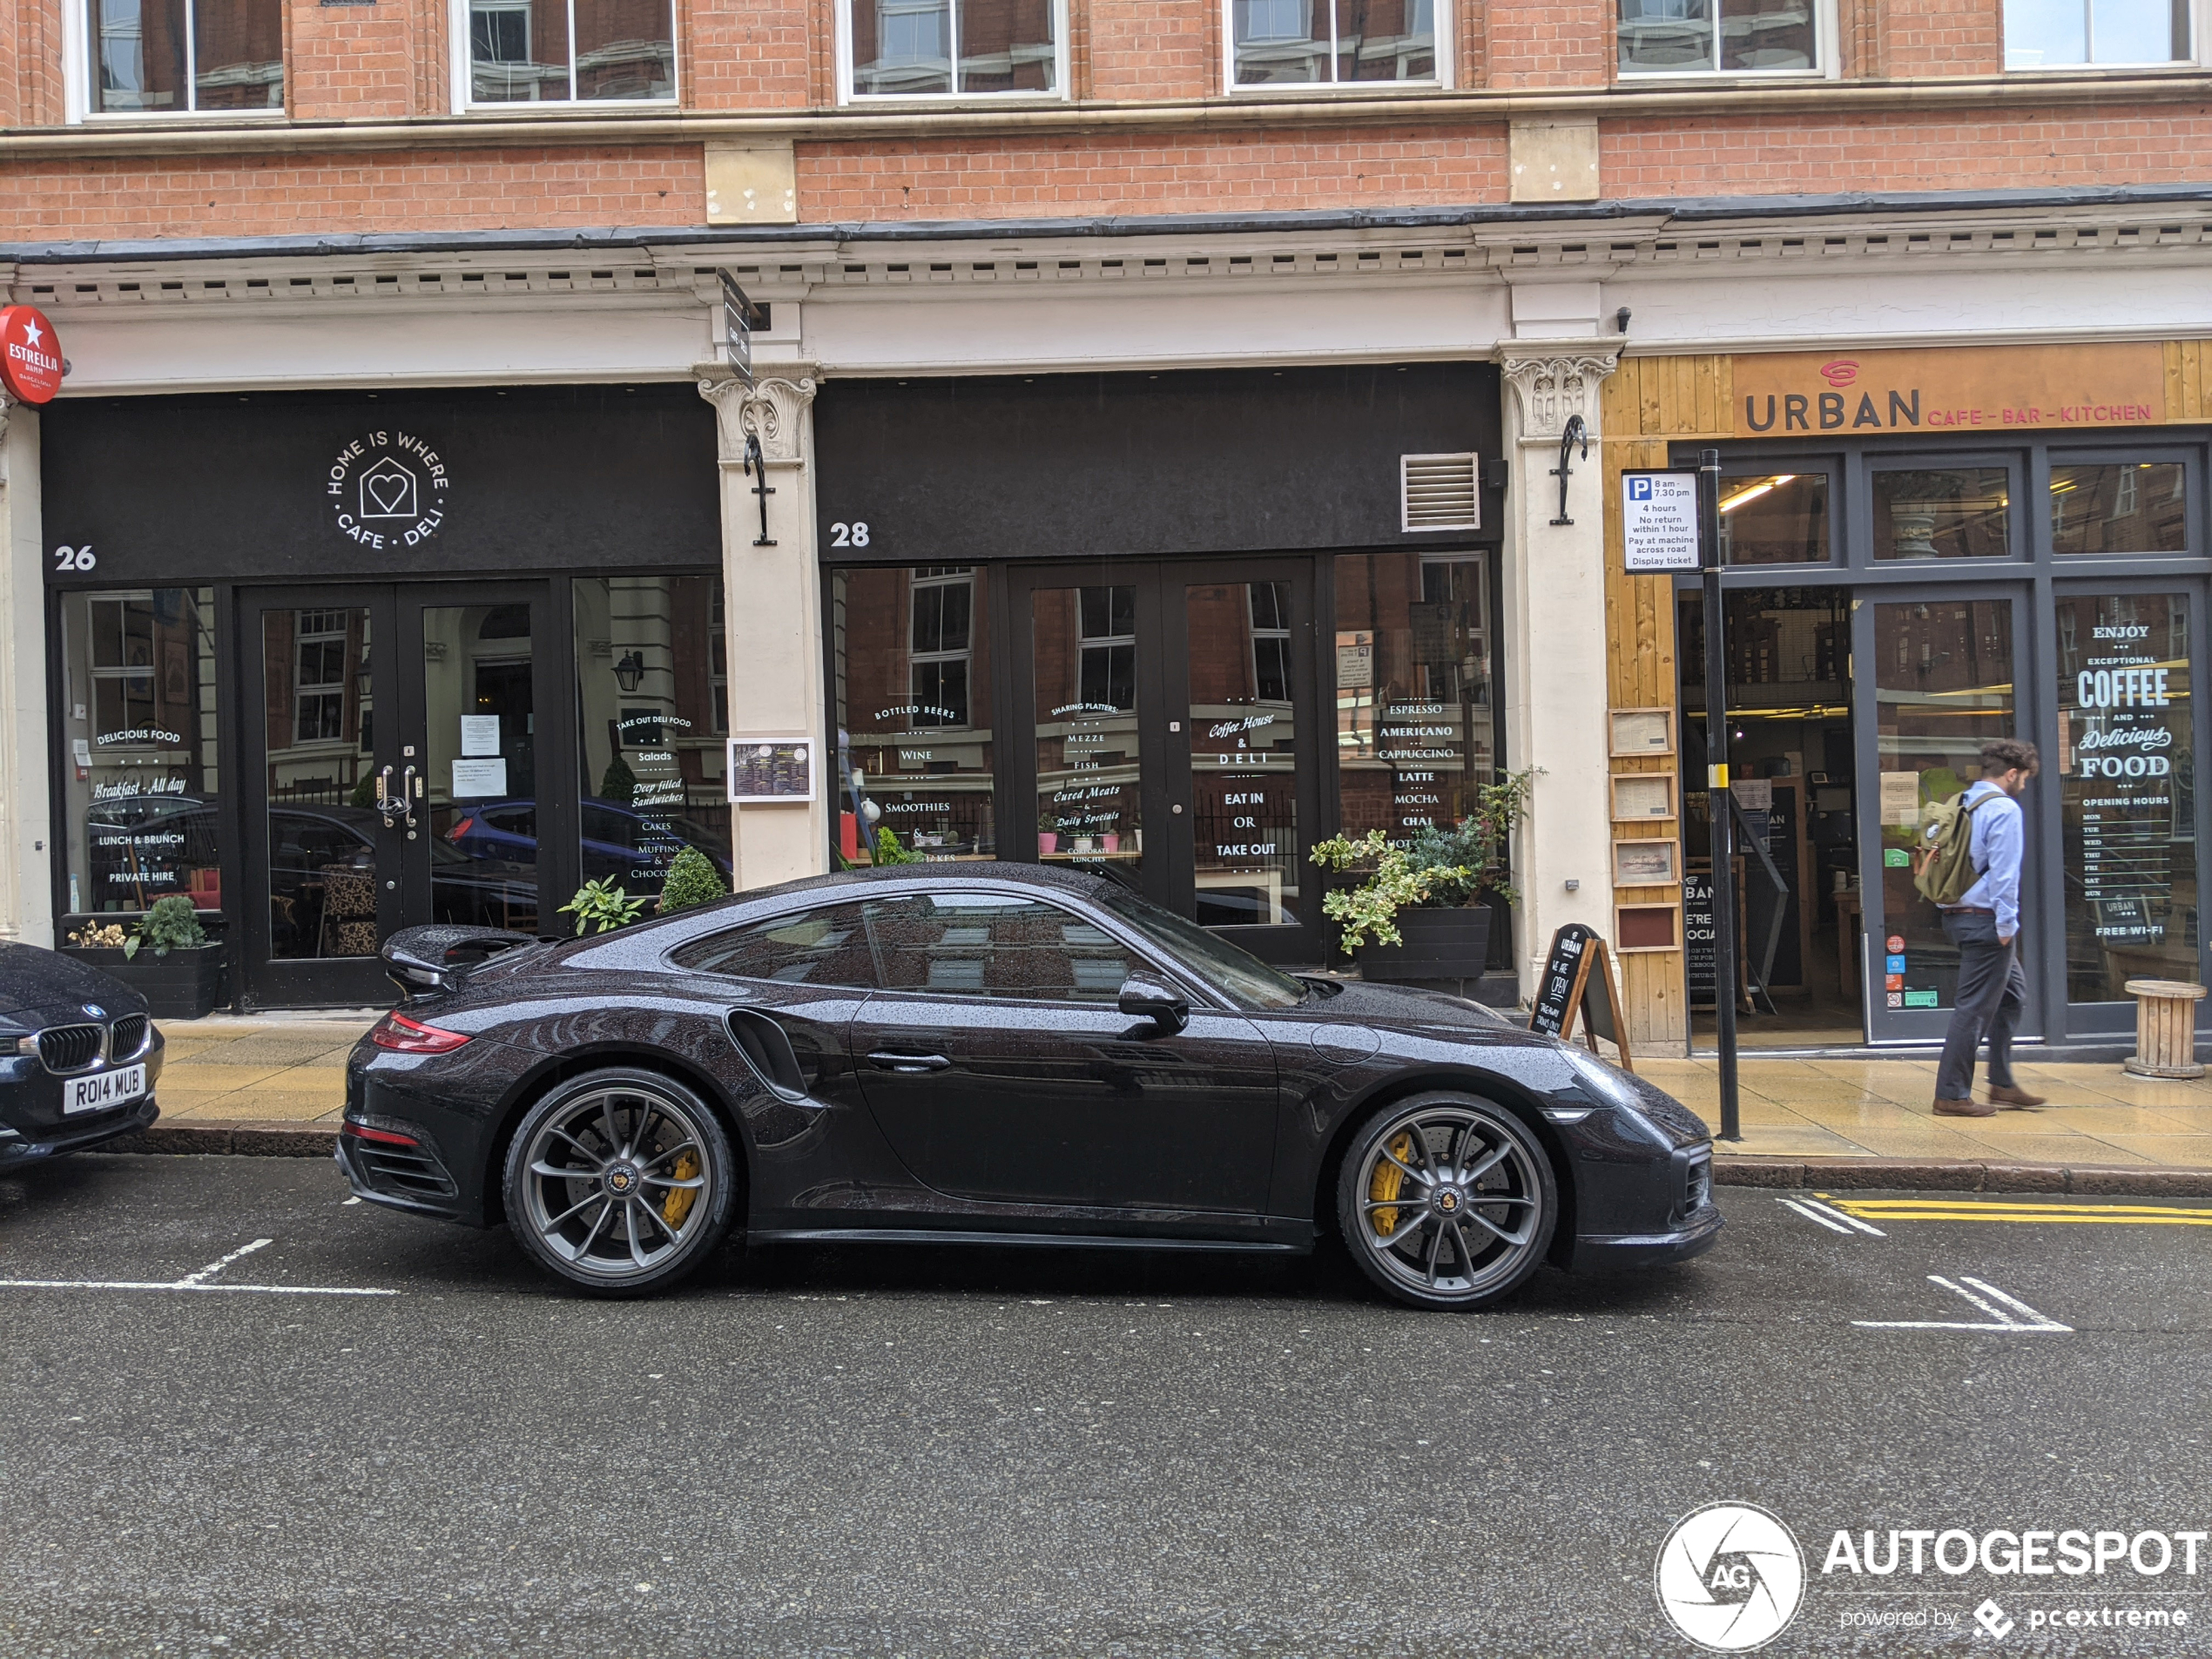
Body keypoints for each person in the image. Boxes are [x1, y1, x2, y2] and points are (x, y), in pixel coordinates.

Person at [1933, 738, 2045, 1116]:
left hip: (1956, 916)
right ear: (2012, 774)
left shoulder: (1960, 803)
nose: (2025, 786)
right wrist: (2006, 924)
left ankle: (2001, 1083)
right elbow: (2004, 873)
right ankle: (1950, 1094)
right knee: (1974, 1009)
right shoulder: (2003, 810)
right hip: (1986, 924)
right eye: (2025, 778)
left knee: (2012, 995)